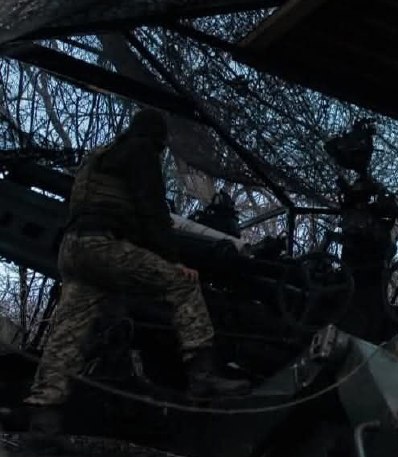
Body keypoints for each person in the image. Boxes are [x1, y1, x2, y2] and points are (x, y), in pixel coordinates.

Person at [24, 108, 249, 436]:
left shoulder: (99, 157)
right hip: (104, 247)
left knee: (67, 334)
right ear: (156, 136)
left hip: (74, 250)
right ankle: (203, 378)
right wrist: (173, 260)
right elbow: (153, 212)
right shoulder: (141, 151)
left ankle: (43, 422)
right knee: (182, 286)